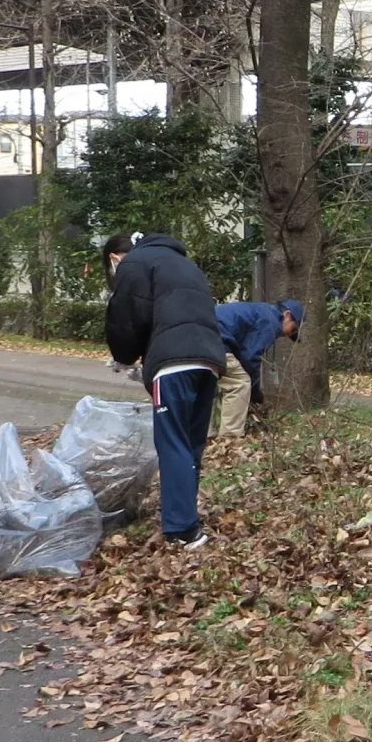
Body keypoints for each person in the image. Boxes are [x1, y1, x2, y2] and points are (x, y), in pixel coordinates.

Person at [104, 232, 226, 549]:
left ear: (119, 256)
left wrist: (123, 356)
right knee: (189, 444)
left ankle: (182, 529)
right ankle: (185, 517)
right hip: (209, 361)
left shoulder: (135, 264)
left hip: (172, 363)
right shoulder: (186, 265)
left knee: (172, 443)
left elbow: (127, 317)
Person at [210, 299, 304, 437]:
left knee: (206, 384)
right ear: (287, 315)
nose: (288, 335)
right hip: (217, 340)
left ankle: (203, 435)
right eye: (293, 329)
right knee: (239, 383)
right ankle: (229, 438)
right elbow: (250, 357)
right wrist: (255, 392)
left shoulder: (260, 310)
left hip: (197, 336)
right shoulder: (272, 321)